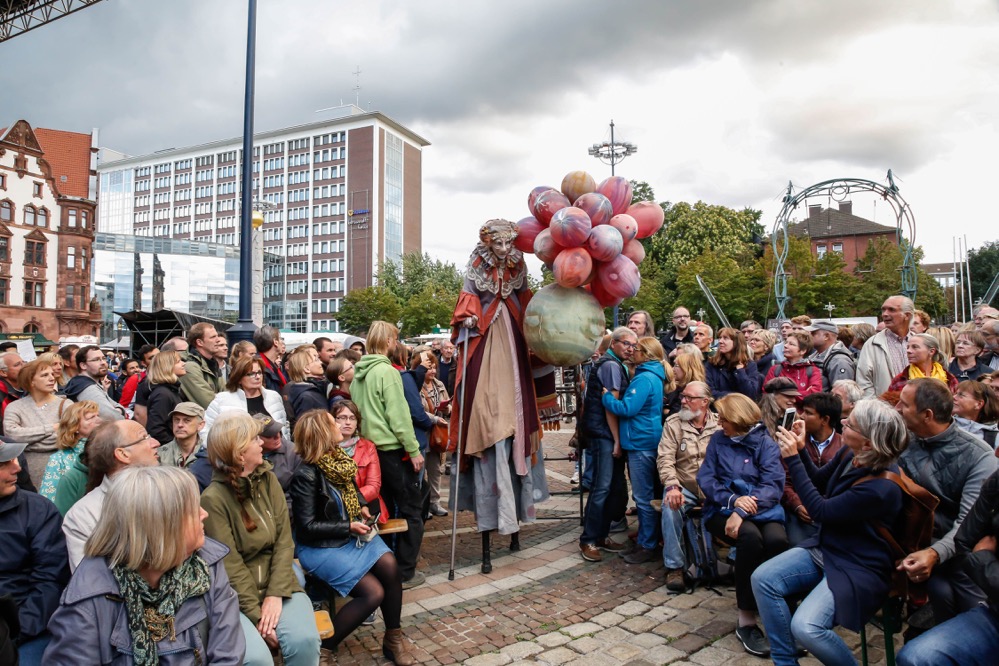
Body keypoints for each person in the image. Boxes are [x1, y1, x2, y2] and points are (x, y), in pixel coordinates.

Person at [752, 399, 909, 665]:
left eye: (852, 425)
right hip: (829, 546)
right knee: (763, 579)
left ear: (869, 442)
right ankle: (785, 662)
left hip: (859, 563)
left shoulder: (881, 488)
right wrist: (801, 450)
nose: (843, 424)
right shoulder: (852, 452)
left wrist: (791, 457)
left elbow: (820, 511)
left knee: (807, 627)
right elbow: (818, 479)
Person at [43, 466, 245, 665]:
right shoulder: (89, 602)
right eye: (193, 510)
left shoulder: (206, 564)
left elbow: (228, 654)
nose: (204, 514)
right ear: (161, 527)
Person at [448, 219, 550, 571]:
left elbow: (528, 303)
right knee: (489, 420)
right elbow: (467, 303)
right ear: (489, 243)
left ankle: (516, 519)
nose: (505, 249)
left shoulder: (519, 263)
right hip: (487, 342)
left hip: (514, 342)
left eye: (509, 243)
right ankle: (495, 522)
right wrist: (469, 319)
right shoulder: (477, 264)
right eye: (500, 244)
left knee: (520, 416)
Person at [289, 410, 414, 665]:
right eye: (334, 421)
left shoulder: (338, 460)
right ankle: (324, 647)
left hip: (349, 535)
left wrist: (361, 507)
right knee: (373, 593)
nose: (340, 424)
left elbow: (352, 489)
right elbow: (306, 527)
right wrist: (347, 526)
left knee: (390, 565)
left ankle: (393, 638)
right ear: (323, 433)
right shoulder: (306, 474)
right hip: (322, 546)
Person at [200, 411, 320, 666]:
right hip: (235, 595)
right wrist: (257, 615)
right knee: (256, 659)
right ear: (239, 452)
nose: (261, 443)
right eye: (255, 438)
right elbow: (230, 566)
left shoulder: (268, 479)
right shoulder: (213, 499)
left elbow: (284, 542)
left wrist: (276, 594)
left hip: (278, 581)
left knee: (304, 642)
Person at [896, 378, 997, 624]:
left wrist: (933, 554)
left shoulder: (978, 456)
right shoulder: (902, 441)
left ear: (927, 415)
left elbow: (967, 524)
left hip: (961, 553)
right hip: (914, 545)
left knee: (973, 613)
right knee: (941, 595)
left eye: (904, 404)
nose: (897, 409)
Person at [696, 393, 787, 657]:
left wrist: (743, 510)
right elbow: (707, 478)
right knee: (749, 539)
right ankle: (746, 617)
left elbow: (772, 485)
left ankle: (779, 608)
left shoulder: (765, 444)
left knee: (777, 541)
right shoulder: (718, 441)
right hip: (722, 509)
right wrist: (734, 502)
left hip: (762, 509)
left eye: (724, 418)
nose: (719, 422)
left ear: (738, 419)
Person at [351, 321, 427, 587]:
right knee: (412, 510)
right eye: (394, 339)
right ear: (387, 342)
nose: (396, 344)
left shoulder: (359, 372)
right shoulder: (386, 372)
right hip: (391, 452)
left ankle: (380, 568)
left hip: (367, 452)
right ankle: (404, 572)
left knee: (377, 511)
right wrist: (413, 449)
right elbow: (399, 416)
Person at [0, 439, 70, 663]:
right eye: (4, 463)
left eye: (14, 459)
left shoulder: (37, 510)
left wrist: (14, 632)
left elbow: (50, 581)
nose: (17, 467)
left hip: (23, 627)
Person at [601, 336, 668, 564]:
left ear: (646, 355)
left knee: (643, 497)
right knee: (647, 495)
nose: (632, 351)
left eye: (637, 349)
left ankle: (647, 545)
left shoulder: (644, 379)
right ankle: (648, 540)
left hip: (640, 442)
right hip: (646, 438)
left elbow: (627, 408)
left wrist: (607, 398)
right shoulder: (654, 375)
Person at [63, 420, 161, 571]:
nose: (156, 443)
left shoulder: (168, 494)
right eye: (144, 438)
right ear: (123, 454)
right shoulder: (84, 515)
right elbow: (90, 581)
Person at [579, 327, 636, 562]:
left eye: (634, 345)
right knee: (601, 488)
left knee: (612, 488)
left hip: (603, 432)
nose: (630, 349)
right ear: (613, 343)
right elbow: (610, 407)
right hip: (604, 434)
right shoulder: (611, 366)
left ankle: (600, 535)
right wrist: (616, 440)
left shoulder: (611, 363)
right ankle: (588, 540)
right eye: (626, 344)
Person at [657, 380, 720, 589]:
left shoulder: (720, 424)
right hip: (687, 485)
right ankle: (675, 567)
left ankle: (731, 562)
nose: (683, 401)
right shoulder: (674, 423)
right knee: (671, 506)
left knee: (743, 505)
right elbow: (665, 458)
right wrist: (672, 486)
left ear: (704, 402)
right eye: (683, 396)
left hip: (715, 487)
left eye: (689, 398)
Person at [780, 392, 845, 547]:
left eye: (808, 413)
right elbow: (784, 480)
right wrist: (797, 504)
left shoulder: (844, 447)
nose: (801, 416)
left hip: (830, 513)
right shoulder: (793, 441)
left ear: (825, 420)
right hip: (800, 513)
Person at [2, 359, 69, 483]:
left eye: (52, 374)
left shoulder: (66, 404)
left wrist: (28, 444)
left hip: (61, 472)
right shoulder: (15, 407)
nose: (51, 378)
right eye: (44, 375)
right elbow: (13, 436)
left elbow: (69, 436)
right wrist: (52, 428)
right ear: (31, 381)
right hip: (27, 473)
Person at [204, 356, 289, 440]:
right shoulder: (222, 400)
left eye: (259, 372)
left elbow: (284, 428)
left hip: (275, 451)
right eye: (251, 374)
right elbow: (206, 430)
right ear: (239, 378)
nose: (258, 377)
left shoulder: (273, 396)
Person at [332, 401, 388, 524]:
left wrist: (347, 500)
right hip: (334, 512)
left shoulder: (368, 447)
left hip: (365, 507)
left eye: (352, 418)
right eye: (342, 417)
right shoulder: (326, 449)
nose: (348, 422)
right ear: (333, 421)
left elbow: (373, 486)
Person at [39, 400, 101, 501]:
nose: (99, 420)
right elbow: (48, 500)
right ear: (75, 426)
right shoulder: (58, 459)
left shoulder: (108, 450)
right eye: (91, 417)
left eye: (98, 415)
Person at [857, 295, 914, 397]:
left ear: (907, 315)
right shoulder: (872, 344)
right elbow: (864, 382)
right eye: (883, 310)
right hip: (885, 409)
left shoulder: (920, 342)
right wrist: (876, 407)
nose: (885, 314)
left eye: (891, 310)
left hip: (917, 408)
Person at [418, 352, 451, 518]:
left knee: (435, 469)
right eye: (428, 367)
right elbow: (417, 410)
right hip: (423, 432)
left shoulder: (439, 385)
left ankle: (434, 502)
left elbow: (449, 405)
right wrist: (435, 418)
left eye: (433, 367)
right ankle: (422, 504)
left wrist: (447, 409)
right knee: (419, 470)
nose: (432, 371)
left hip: (437, 434)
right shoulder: (416, 385)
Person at [64, 345, 127, 421]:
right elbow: (111, 416)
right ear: (83, 365)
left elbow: (115, 406)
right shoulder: (87, 388)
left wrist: (119, 409)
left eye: (103, 358)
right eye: (96, 360)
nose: (103, 362)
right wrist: (121, 411)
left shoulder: (85, 383)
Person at [887, 333, 959, 394]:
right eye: (908, 347)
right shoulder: (900, 380)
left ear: (931, 351)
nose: (908, 351)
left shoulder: (948, 379)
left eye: (915, 347)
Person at [704, 327, 761, 400]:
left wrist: (740, 371)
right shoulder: (712, 364)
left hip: (741, 409)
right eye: (720, 338)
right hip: (717, 407)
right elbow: (709, 391)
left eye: (725, 338)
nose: (720, 341)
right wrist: (736, 397)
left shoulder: (750, 365)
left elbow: (751, 393)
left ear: (736, 342)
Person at [145, 351, 188, 447]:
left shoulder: (171, 391)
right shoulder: (163, 394)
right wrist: (177, 446)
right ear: (167, 367)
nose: (183, 363)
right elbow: (156, 429)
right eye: (178, 361)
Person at [762, 330, 822, 399]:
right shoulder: (775, 369)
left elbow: (814, 395)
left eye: (791, 344)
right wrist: (803, 393)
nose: (785, 346)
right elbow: (767, 393)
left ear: (803, 351)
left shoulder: (813, 370)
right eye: (786, 343)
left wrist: (782, 395)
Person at [284, 345, 328, 428]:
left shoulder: (312, 389)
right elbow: (306, 430)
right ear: (306, 369)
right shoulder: (307, 396)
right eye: (316, 360)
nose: (321, 362)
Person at [807, 320, 856, 390]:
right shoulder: (816, 356)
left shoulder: (840, 361)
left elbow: (842, 394)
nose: (809, 336)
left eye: (813, 333)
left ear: (826, 336)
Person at [157, 402, 206, 469]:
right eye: (176, 420)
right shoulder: (160, 454)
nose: (180, 425)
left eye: (186, 420)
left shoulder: (209, 454)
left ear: (200, 425)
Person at [953, 380, 999, 448]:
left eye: (961, 395)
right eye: (955, 393)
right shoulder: (944, 426)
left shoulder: (993, 438)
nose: (954, 397)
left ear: (978, 404)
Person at [664, 346, 705, 417]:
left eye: (676, 365)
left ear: (687, 369)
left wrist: (664, 411)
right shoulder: (677, 387)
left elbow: (674, 416)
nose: (673, 369)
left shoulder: (692, 391)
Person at [254, 326, 288, 393]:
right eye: (280, 338)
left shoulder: (270, 365)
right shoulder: (259, 367)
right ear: (275, 342)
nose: (283, 343)